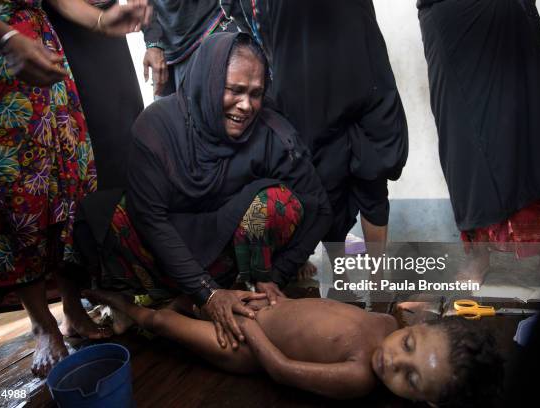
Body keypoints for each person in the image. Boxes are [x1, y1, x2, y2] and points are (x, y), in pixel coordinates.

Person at [76, 32, 332, 349]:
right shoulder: (157, 125)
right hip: (164, 249)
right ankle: (170, 297)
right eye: (235, 90)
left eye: (256, 94)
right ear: (208, 81)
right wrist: (207, 293)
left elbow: (320, 206)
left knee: (279, 203)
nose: (246, 105)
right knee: (98, 219)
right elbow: (150, 219)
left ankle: (242, 288)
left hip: (228, 251)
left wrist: (277, 275)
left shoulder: (271, 132)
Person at [0, 0, 150, 376]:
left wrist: (100, 18)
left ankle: (72, 305)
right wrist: (6, 37)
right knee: (15, 197)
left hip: (42, 51)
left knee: (69, 183)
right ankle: (40, 322)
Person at [85, 288, 502, 405]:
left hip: (245, 346)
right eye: (408, 344)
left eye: (410, 378)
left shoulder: (358, 377)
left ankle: (112, 303)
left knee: (161, 322)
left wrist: (249, 328)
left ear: (422, 400)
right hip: (264, 312)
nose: (393, 360)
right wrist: (282, 301)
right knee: (191, 299)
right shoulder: (383, 321)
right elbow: (318, 313)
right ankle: (147, 304)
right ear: (419, 325)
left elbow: (282, 368)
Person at [232, 0, 408, 268]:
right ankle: (340, 277)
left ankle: (378, 280)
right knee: (323, 180)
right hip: (300, 67)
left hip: (356, 58)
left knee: (374, 175)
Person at [417, 0, 540, 282]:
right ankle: (478, 252)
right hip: (451, 15)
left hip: (508, 10)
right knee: (465, 136)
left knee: (538, 122)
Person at [45, 0, 145, 191]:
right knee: (98, 127)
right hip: (71, 31)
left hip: (107, 22)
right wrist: (100, 20)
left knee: (128, 122)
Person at [142, 0, 236, 96]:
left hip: (211, 26)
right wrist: (153, 42)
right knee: (165, 108)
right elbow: (138, 4)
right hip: (165, 47)